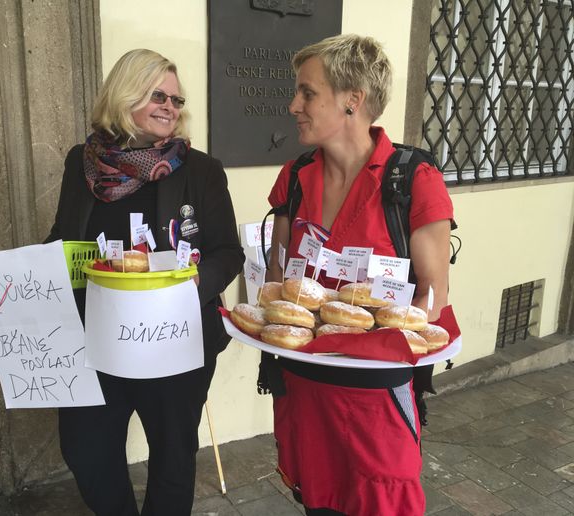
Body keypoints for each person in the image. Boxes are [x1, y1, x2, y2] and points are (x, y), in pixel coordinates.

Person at [46, 49, 244, 516]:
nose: (170, 107)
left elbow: (227, 253)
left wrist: (185, 287)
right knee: (86, 451)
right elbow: (63, 235)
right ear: (124, 93)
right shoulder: (83, 162)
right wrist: (30, 276)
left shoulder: (200, 170)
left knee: (173, 458)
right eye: (158, 95)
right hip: (94, 341)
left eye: (176, 100)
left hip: (172, 341)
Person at [264, 35, 454, 515]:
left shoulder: (411, 179)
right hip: (303, 387)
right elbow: (277, 279)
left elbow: (431, 300)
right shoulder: (295, 176)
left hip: (374, 399)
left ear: (354, 99)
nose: (294, 105)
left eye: (308, 93)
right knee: (317, 504)